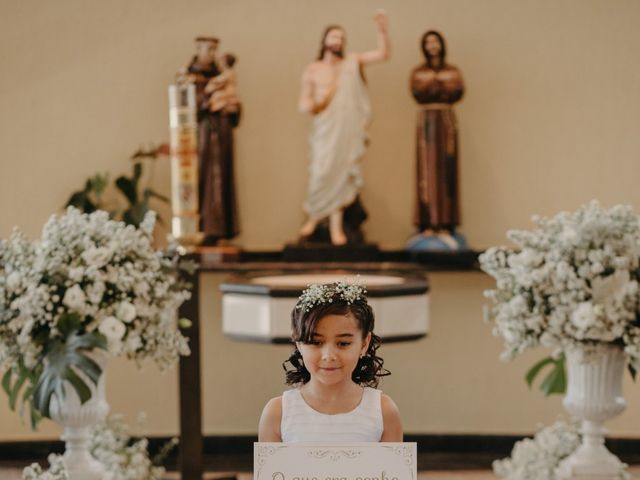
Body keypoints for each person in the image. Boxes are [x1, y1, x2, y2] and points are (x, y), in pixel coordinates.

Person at [258, 282, 403, 442]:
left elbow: (392, 468)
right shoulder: (277, 413)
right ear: (299, 344)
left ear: (364, 343)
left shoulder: (384, 411)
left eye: (343, 343)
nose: (329, 356)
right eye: (315, 342)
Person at [298, 11, 390, 246]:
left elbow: (383, 55)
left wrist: (382, 31)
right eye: (333, 37)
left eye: (341, 38)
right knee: (321, 172)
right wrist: (312, 105)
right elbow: (303, 102)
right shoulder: (313, 69)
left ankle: (336, 228)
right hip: (325, 127)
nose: (337, 41)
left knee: (341, 175)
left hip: (347, 128)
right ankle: (314, 216)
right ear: (324, 41)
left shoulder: (351, 62)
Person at [409, 30, 465, 251]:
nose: (432, 46)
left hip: (446, 123)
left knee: (446, 172)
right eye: (428, 43)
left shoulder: (452, 71)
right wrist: (438, 85)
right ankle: (427, 222)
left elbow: (456, 88)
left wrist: (435, 84)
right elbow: (418, 89)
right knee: (427, 173)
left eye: (435, 42)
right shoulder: (418, 72)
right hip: (427, 123)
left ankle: (446, 223)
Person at [184, 36, 241, 244]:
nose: (213, 54)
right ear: (198, 48)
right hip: (202, 134)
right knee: (204, 180)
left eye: (215, 49)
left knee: (223, 180)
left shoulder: (223, 74)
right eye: (209, 49)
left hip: (223, 133)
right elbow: (186, 105)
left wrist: (234, 108)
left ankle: (223, 230)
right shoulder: (189, 75)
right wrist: (207, 98)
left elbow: (234, 103)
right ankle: (203, 229)